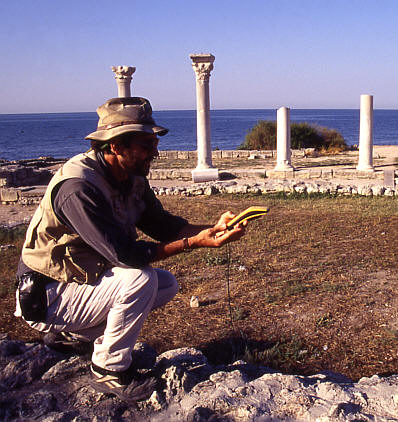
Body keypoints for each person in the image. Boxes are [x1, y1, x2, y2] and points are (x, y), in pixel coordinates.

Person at [15, 97, 246, 401]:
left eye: (154, 143)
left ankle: (72, 337)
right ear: (115, 146)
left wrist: (211, 230)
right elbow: (127, 256)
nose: (155, 152)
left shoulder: (130, 176)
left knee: (165, 284)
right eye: (146, 145)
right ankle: (109, 371)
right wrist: (193, 242)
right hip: (46, 295)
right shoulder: (79, 188)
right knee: (141, 279)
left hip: (79, 283)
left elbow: (162, 225)